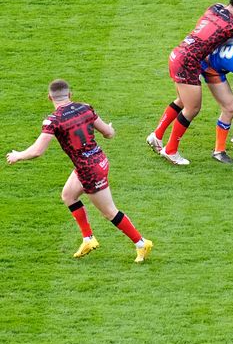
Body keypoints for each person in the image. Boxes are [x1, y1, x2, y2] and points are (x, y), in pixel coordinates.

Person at [6, 80, 153, 262]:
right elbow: (108, 133)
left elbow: (37, 151)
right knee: (68, 195)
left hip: (89, 170)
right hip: (97, 160)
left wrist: (18, 155)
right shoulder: (85, 108)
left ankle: (141, 243)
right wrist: (111, 128)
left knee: (109, 211)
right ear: (70, 94)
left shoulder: (53, 120)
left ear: (49, 97)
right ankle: (88, 239)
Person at [146, 0, 233, 165]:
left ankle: (156, 136)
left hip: (179, 53)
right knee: (192, 108)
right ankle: (171, 150)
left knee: (182, 100)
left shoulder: (214, 7)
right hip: (189, 61)